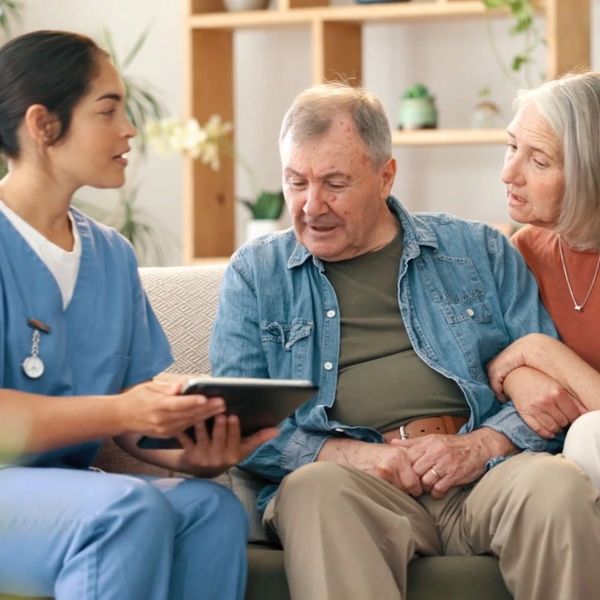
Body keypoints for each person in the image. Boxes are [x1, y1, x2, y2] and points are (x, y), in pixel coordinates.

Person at [209, 82, 600, 600]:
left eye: (335, 183)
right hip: (354, 486)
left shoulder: (478, 249)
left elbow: (548, 400)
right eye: (296, 182)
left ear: (385, 176)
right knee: (312, 492)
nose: (311, 205)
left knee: (557, 486)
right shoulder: (256, 275)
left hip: (484, 471)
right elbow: (243, 426)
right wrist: (357, 458)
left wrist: (479, 445)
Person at [0, 30, 274, 600]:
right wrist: (124, 408)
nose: (129, 129)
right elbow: (116, 409)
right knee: (125, 509)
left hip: (69, 489)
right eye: (108, 110)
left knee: (209, 510)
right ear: (43, 126)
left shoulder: (111, 256)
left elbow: (134, 418)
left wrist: (196, 452)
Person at [487, 72, 600, 487]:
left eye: (539, 161)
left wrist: (538, 351)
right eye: (512, 146)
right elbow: (489, 365)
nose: (509, 174)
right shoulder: (522, 253)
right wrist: (517, 374)